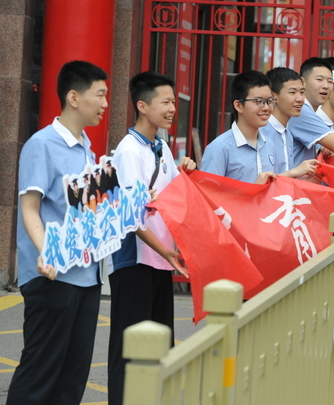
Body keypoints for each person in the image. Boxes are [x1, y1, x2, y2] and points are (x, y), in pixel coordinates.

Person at [7, 60, 109, 405]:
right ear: (74, 98)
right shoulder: (42, 144)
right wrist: (47, 253)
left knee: (73, 374)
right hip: (52, 277)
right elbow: (29, 209)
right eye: (100, 94)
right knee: (41, 370)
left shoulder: (88, 148)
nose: (105, 104)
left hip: (87, 276)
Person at [106, 71, 196, 405]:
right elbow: (130, 217)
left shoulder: (160, 147)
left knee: (160, 345)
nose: (173, 108)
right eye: (166, 102)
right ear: (142, 106)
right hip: (135, 261)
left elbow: (174, 195)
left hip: (158, 260)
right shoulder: (128, 151)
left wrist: (184, 171)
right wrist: (167, 252)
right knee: (129, 347)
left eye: (174, 101)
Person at [201, 70, 316, 183]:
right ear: (239, 105)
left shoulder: (269, 145)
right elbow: (208, 196)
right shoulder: (220, 147)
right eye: (258, 101)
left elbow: (273, 187)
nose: (266, 108)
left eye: (269, 101)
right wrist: (255, 188)